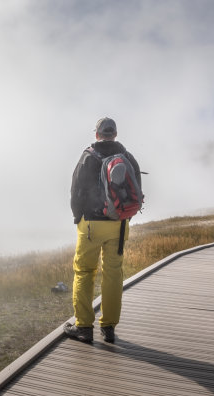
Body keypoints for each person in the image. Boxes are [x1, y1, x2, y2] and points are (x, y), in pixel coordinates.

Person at [64, 117, 142, 343]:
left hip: (90, 225)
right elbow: (136, 192)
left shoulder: (87, 157)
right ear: (115, 134)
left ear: (97, 134)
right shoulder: (127, 158)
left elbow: (75, 192)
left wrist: (78, 218)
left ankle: (84, 327)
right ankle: (108, 328)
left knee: (84, 273)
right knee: (113, 274)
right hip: (118, 225)